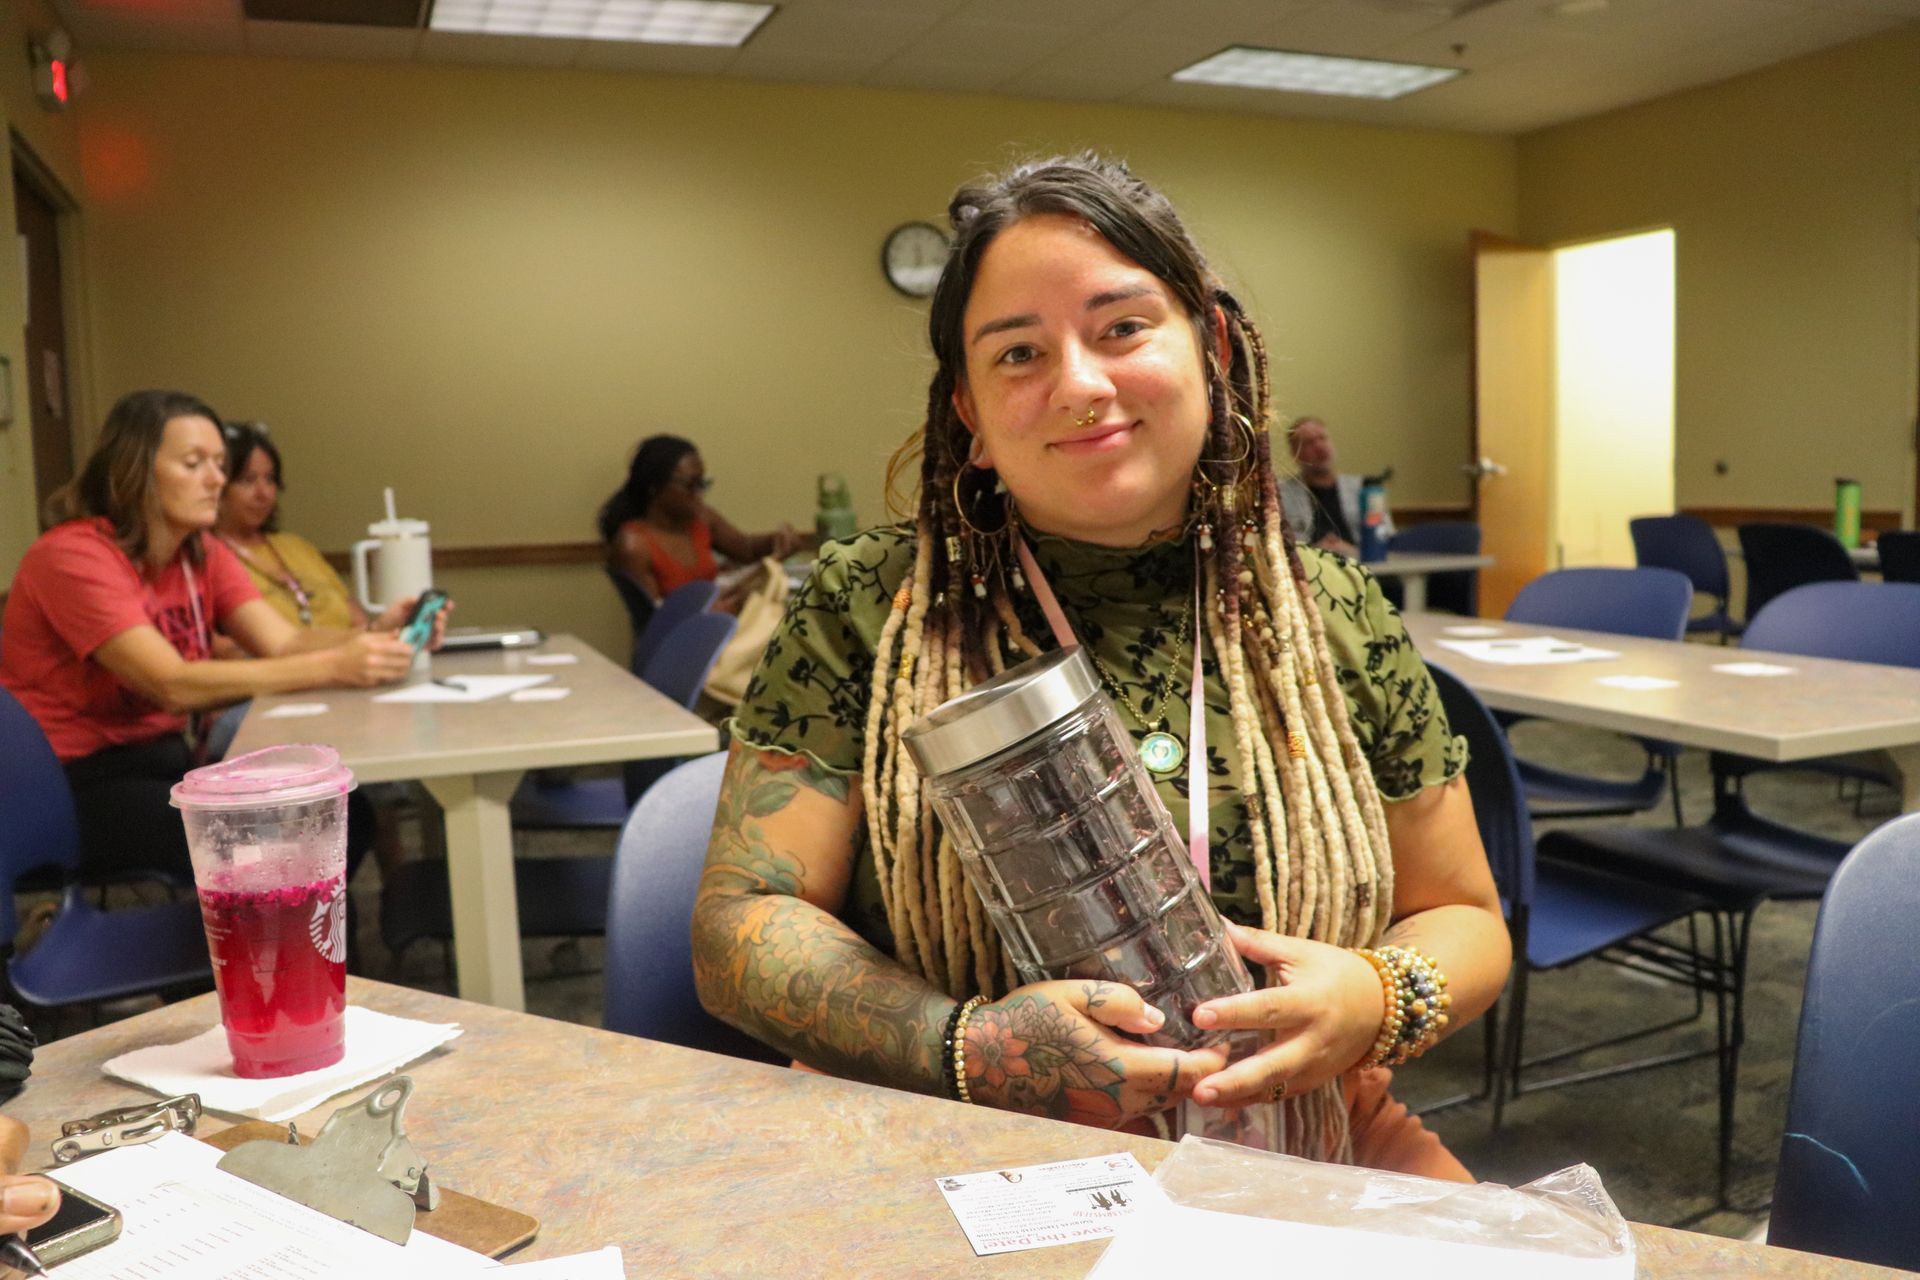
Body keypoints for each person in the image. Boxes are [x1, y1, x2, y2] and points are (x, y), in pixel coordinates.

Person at [692, 156, 1509, 1177]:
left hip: (1310, 1130)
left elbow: (1467, 916)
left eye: (1122, 328)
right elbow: (738, 925)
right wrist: (966, 1048)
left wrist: (1377, 997)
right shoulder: (870, 606)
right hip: (944, 1132)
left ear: (1211, 348)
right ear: (970, 415)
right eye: (1019, 353)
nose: (1080, 385)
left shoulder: (1332, 613)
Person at [0, 389, 445, 884]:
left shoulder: (200, 552)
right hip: (69, 782)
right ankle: (266, 932)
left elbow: (283, 642)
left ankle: (298, 932)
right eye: (194, 464)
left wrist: (376, 632)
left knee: (342, 815)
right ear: (133, 472)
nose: (216, 479)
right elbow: (170, 684)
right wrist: (335, 666)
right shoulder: (72, 556)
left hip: (160, 761)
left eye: (218, 464)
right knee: (287, 841)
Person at [598, 435, 809, 607]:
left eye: (702, 484)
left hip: (721, 629)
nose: (699, 494)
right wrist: (728, 604)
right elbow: (655, 623)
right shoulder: (633, 545)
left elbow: (746, 549)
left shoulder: (702, 519)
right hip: (680, 640)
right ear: (654, 487)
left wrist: (776, 540)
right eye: (690, 485)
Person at [214, 422, 365, 631]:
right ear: (217, 486)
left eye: (270, 479)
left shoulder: (296, 546)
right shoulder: (208, 558)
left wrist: (385, 627)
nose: (263, 493)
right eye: (248, 481)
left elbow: (359, 622)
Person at [1279, 416, 1394, 559]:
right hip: (1310, 565)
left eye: (1322, 438)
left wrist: (1354, 552)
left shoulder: (1364, 488)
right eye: (1309, 442)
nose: (1319, 447)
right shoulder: (1282, 493)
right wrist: (1316, 552)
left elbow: (1385, 538)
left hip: (1361, 563)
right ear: (1294, 454)